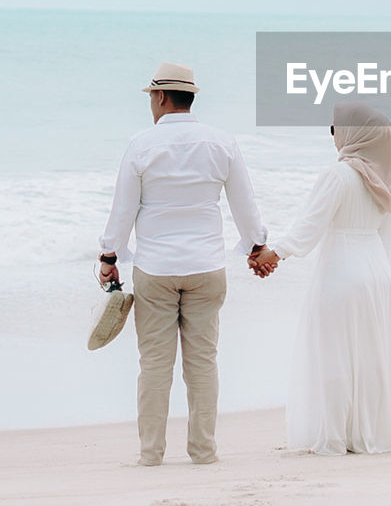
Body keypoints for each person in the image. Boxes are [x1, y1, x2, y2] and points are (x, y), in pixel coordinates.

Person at [97, 61, 267, 466]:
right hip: (207, 268)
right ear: (189, 97)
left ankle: (151, 454)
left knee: (154, 365)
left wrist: (109, 256)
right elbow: (244, 203)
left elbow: (123, 210)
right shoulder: (221, 142)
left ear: (158, 96)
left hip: (155, 269)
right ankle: (203, 451)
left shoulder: (141, 144)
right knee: (203, 362)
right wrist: (256, 248)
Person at [249, 102, 391, 456]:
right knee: (371, 357)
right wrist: (383, 277)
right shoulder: (389, 181)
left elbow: (309, 227)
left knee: (334, 355)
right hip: (375, 272)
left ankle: (334, 436)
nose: (333, 136)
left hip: (341, 271)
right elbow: (390, 235)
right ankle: (370, 432)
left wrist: (273, 254)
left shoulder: (338, 175)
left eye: (335, 129)